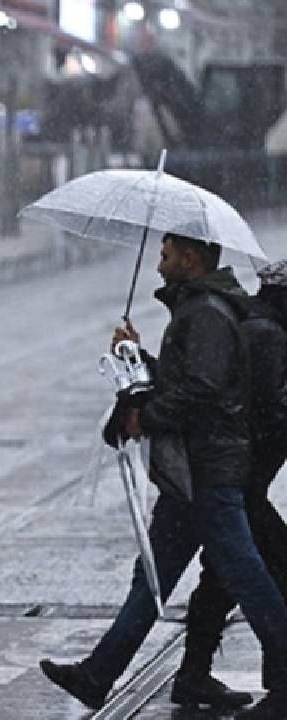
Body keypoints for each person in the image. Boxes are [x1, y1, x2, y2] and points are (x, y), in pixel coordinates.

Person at [40, 233, 287, 720]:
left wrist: (145, 418)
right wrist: (137, 358)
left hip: (210, 473)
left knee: (249, 579)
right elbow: (187, 380)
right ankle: (98, 675)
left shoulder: (209, 314)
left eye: (166, 254)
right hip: (190, 474)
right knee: (152, 578)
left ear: (191, 258)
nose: (159, 265)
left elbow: (202, 390)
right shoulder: (196, 309)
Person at [171, 258, 287, 710]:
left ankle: (192, 675)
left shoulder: (261, 326)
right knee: (273, 571)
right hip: (240, 480)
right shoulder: (269, 335)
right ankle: (281, 689)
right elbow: (270, 412)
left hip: (236, 479)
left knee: (221, 575)